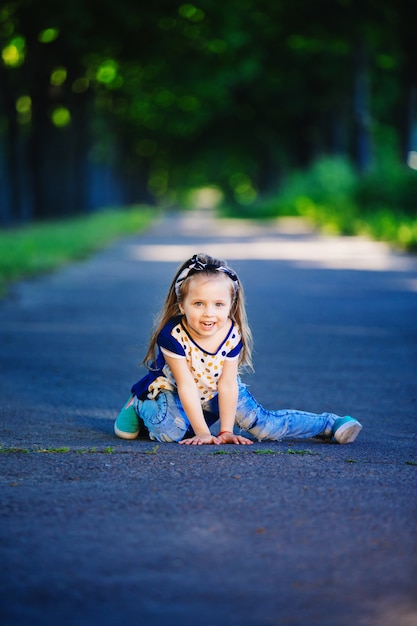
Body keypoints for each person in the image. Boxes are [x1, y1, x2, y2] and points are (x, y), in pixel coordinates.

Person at [114, 253, 363, 446]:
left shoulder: (232, 334)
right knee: (171, 433)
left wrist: (226, 431)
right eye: (198, 303)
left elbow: (228, 384)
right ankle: (139, 403)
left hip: (216, 390)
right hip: (177, 391)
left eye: (218, 304)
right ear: (182, 305)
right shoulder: (172, 335)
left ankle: (330, 424)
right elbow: (187, 384)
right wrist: (202, 433)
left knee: (265, 426)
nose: (209, 313)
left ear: (231, 305)